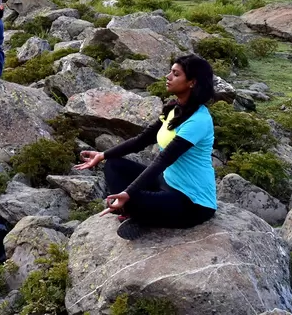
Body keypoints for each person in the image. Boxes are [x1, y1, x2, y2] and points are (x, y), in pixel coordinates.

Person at [74, 54, 218, 240]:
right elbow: (142, 140)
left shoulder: (198, 120)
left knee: (131, 199)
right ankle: (139, 212)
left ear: (192, 82)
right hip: (165, 184)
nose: (168, 77)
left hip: (192, 202)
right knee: (113, 165)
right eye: (170, 72)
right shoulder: (175, 109)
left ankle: (139, 214)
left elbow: (163, 160)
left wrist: (128, 192)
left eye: (175, 74)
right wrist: (102, 154)